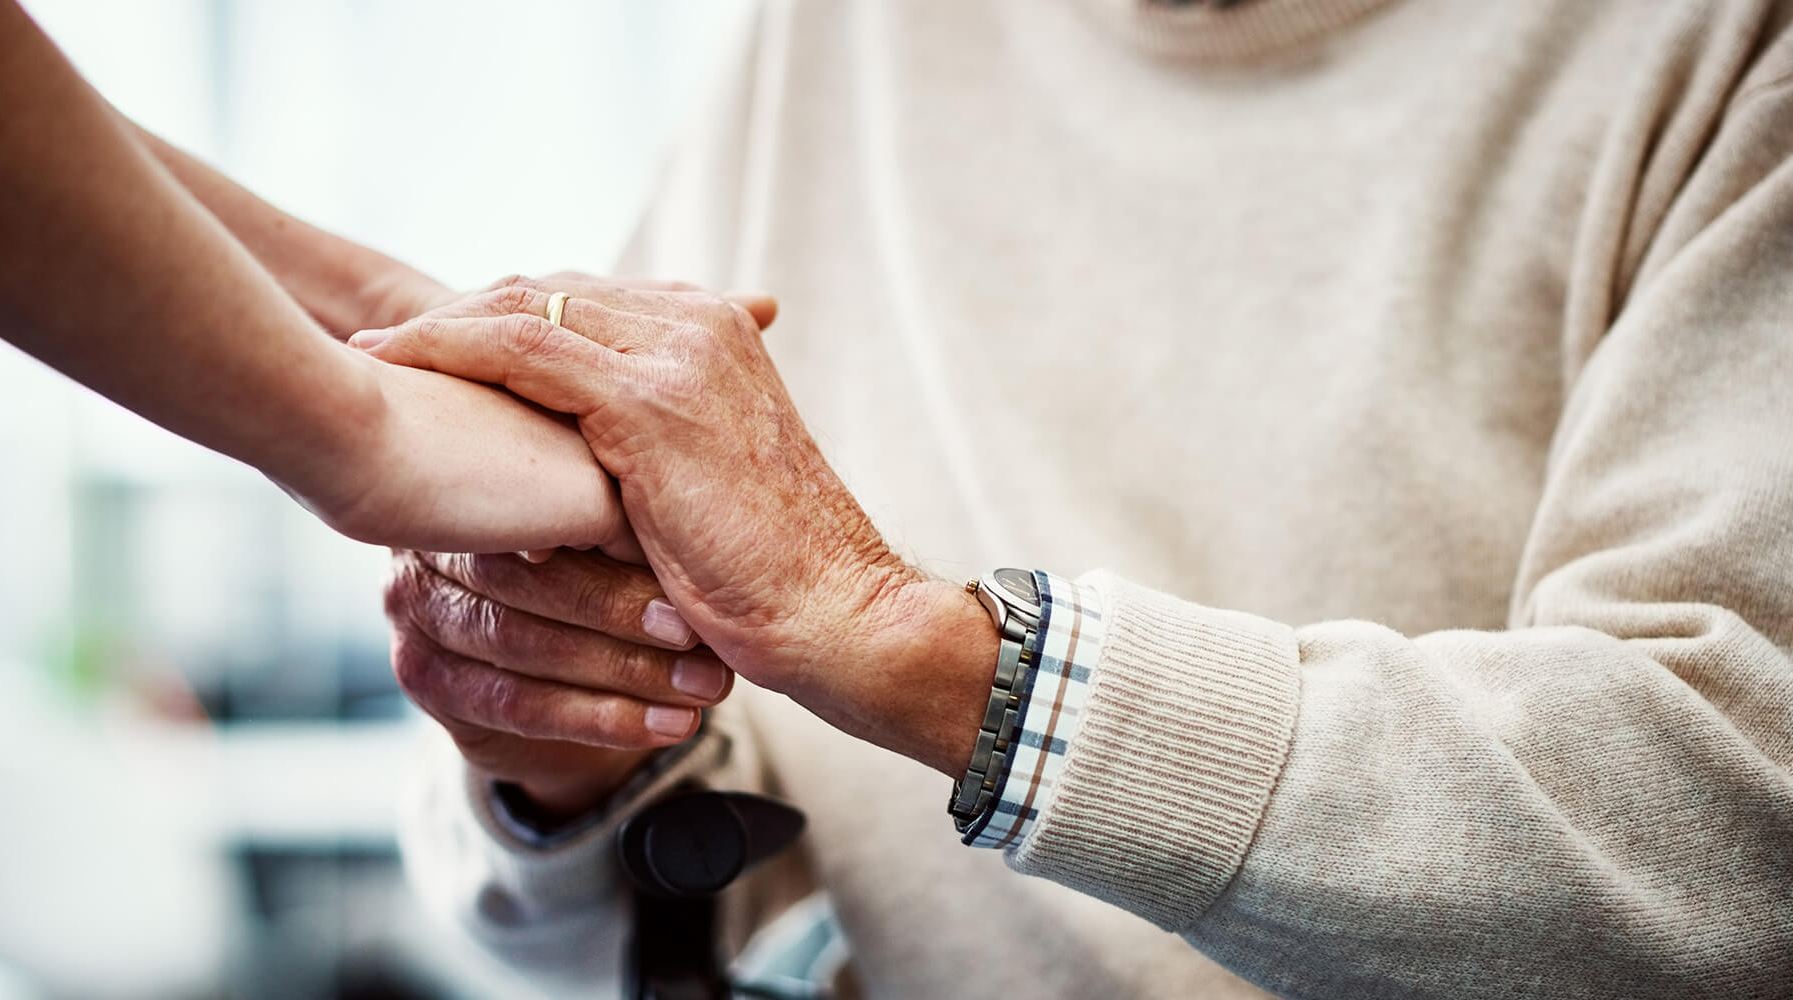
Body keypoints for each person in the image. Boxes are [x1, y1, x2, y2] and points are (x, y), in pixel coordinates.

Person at [374, 1, 1793, 998]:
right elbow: (572, 929)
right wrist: (559, 751)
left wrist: (898, 639)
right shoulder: (823, 35)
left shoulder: (1727, 49)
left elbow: (1738, 844)